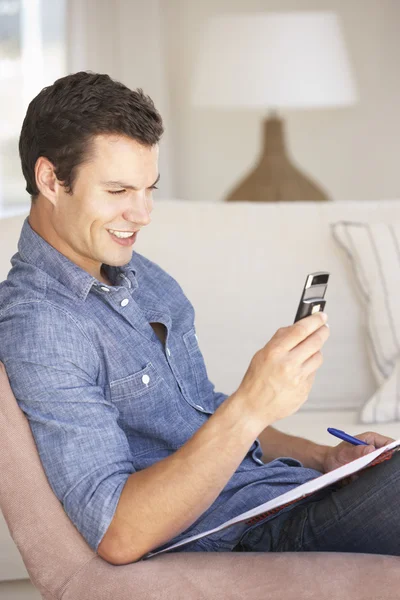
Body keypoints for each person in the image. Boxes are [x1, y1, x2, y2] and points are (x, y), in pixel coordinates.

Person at [0, 71, 396, 566]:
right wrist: (253, 404)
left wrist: (324, 459)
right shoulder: (42, 326)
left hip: (288, 493)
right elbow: (117, 532)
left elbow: (200, 411)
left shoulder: (133, 271)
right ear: (51, 180)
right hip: (251, 534)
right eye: (119, 191)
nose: (142, 214)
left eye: (149, 189)